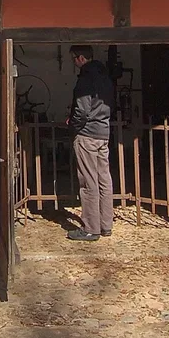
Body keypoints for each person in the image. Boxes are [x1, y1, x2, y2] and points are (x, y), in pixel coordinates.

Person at [68, 45, 115, 241]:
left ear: (80, 58)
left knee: (88, 181)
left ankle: (90, 228)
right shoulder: (105, 77)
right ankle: (106, 224)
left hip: (87, 134)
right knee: (104, 178)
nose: (73, 62)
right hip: (103, 132)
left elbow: (82, 110)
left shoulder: (85, 79)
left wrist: (73, 125)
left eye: (73, 59)